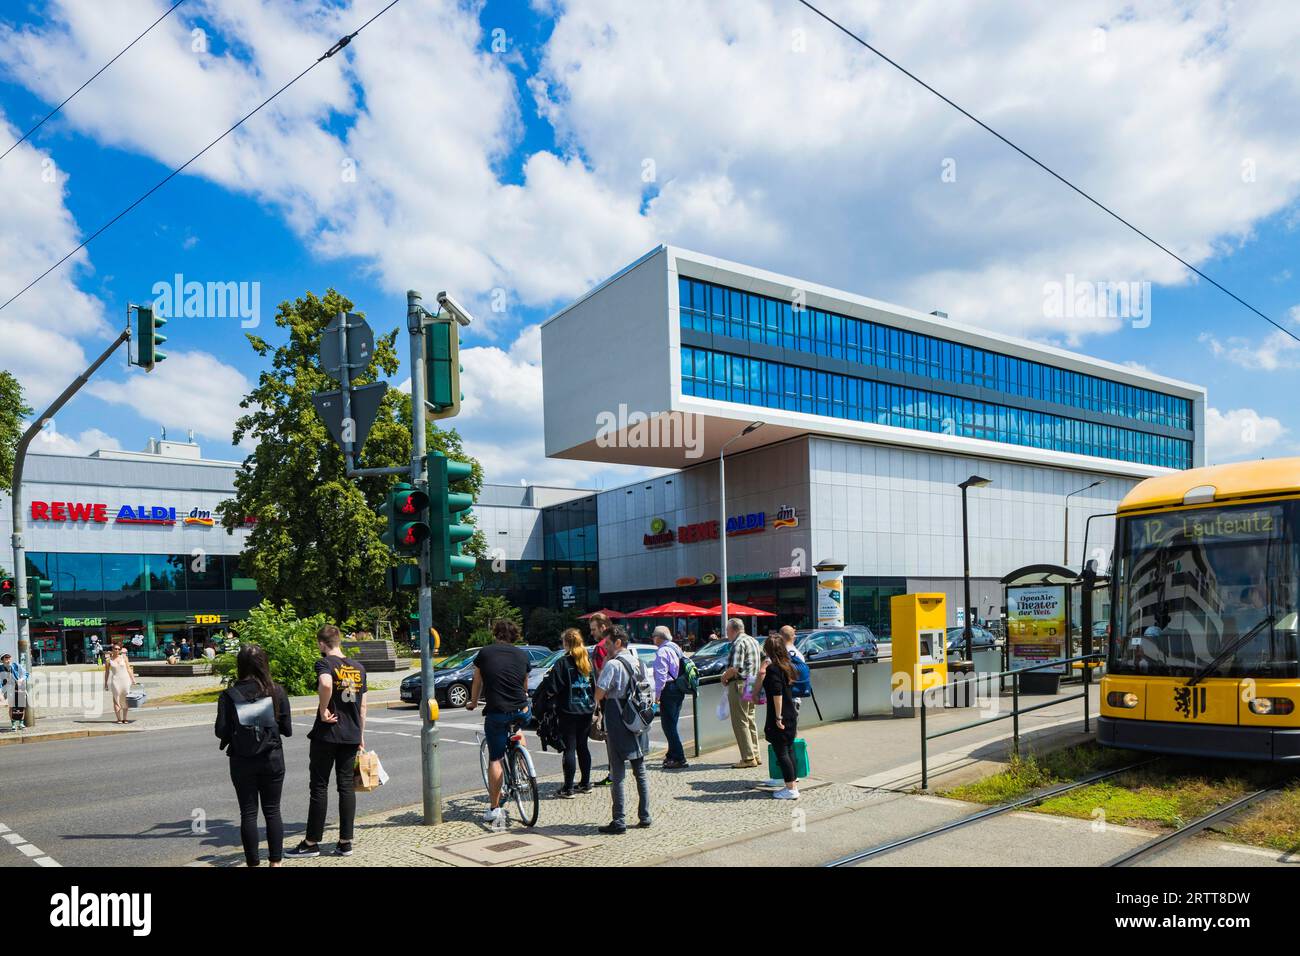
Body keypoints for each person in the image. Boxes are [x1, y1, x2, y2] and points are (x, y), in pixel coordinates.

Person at [285, 625, 367, 859]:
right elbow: (362, 706)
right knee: (346, 787)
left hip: (328, 733)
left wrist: (323, 710)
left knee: (319, 786)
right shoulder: (359, 668)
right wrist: (360, 734)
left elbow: (326, 684)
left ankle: (311, 843)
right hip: (351, 734)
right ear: (339, 641)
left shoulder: (325, 664)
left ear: (322, 644)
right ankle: (345, 842)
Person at [214, 645, 292, 867]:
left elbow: (221, 731)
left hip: (241, 760)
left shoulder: (229, 695)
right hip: (272, 758)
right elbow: (286, 728)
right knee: (272, 810)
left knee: (248, 813)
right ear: (264, 664)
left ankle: (252, 863)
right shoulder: (276, 691)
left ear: (240, 665)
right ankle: (275, 862)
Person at [465, 619, 531, 825]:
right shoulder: (522, 654)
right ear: (514, 636)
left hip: (497, 712)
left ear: (496, 634)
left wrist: (473, 703)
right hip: (521, 708)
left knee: (495, 758)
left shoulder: (485, 653)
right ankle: (524, 767)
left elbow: (477, 680)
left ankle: (494, 808)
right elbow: (525, 683)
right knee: (519, 728)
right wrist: (523, 697)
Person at [593, 625, 651, 834]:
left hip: (618, 721)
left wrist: (606, 690)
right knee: (640, 771)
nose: (605, 647)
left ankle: (619, 820)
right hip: (638, 720)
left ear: (618, 642)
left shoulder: (613, 665)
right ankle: (645, 816)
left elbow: (599, 694)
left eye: (608, 643)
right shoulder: (639, 662)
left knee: (617, 773)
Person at [536, 627, 595, 797]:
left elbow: (553, 688)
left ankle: (568, 788)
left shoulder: (563, 662)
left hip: (568, 710)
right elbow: (593, 686)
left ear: (567, 643)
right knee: (583, 746)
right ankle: (585, 783)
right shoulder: (587, 661)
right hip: (586, 709)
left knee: (569, 748)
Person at [720, 617, 762, 768]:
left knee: (740, 721)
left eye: (727, 630)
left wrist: (723, 678)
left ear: (733, 629)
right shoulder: (753, 641)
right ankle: (755, 754)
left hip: (740, 684)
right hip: (752, 682)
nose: (727, 633)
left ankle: (748, 757)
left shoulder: (738, 643)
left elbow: (734, 668)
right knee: (750, 718)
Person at [762, 634, 800, 800]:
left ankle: (791, 788)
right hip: (791, 712)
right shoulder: (788, 666)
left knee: (782, 751)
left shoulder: (773, 669)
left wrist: (778, 717)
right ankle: (792, 782)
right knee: (789, 748)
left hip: (780, 715)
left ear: (769, 650)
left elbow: (777, 694)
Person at [651, 625, 689, 769]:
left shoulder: (662, 652)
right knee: (672, 723)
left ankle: (679, 757)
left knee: (668, 726)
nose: (652, 638)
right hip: (678, 688)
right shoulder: (675, 647)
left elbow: (661, 678)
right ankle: (671, 754)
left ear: (659, 637)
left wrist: (657, 697)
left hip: (668, 689)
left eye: (653, 635)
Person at [586, 612, 615, 786]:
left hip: (608, 700)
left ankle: (613, 774)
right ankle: (618, 773)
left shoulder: (600, 647)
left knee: (610, 738)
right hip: (622, 699)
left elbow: (600, 676)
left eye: (594, 629)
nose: (592, 633)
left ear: (603, 627)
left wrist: (597, 699)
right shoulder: (618, 643)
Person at [104, 644, 136, 724]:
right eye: (115, 649)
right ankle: (118, 719)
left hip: (125, 680)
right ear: (112, 649)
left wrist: (133, 679)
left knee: (125, 699)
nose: (117, 650)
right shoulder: (108, 660)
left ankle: (125, 718)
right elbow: (107, 672)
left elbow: (129, 669)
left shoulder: (124, 658)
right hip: (115, 681)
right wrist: (105, 683)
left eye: (119, 649)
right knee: (116, 699)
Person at [0, 654, 28, 732]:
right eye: (6, 658)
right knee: (11, 706)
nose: (8, 659)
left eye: (9, 658)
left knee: (22, 706)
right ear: (2, 660)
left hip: (20, 688)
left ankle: (21, 723)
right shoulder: (0, 668)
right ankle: (13, 724)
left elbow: (26, 674)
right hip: (9, 689)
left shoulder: (16, 665)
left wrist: (21, 679)